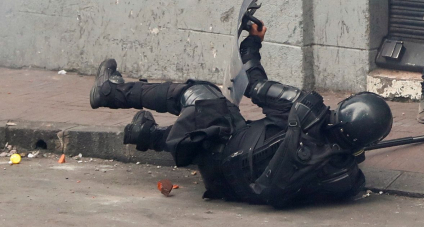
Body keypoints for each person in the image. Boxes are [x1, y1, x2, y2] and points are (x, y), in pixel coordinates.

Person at [89, 22, 393, 207]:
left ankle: (110, 91)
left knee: (202, 95)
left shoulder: (304, 109)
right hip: (227, 188)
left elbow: (253, 84)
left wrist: (253, 42)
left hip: (220, 150)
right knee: (226, 121)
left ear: (344, 108)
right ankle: (148, 135)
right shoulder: (348, 179)